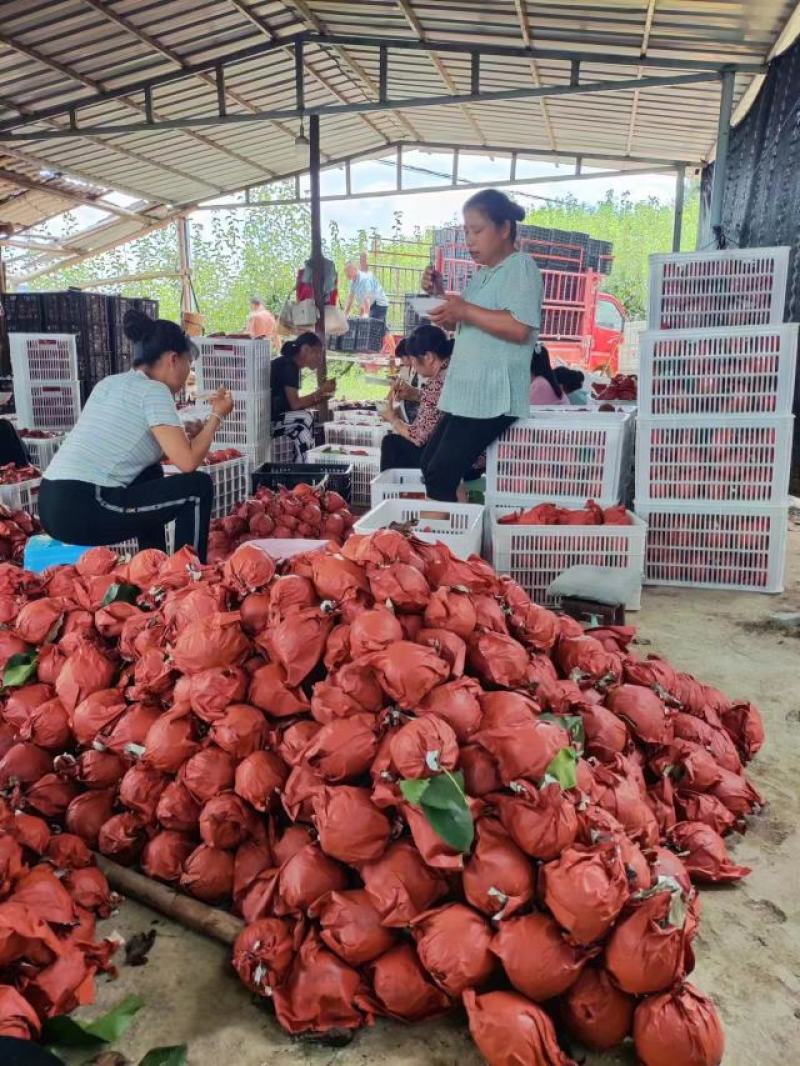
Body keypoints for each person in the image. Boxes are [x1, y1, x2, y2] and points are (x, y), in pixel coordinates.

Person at [38, 311, 233, 562]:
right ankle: (188, 577)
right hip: (87, 504)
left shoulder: (109, 383)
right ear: (173, 359)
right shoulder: (154, 391)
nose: (187, 375)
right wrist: (217, 416)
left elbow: (133, 447)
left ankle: (152, 566)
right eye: (188, 364)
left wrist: (191, 433)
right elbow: (187, 463)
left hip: (51, 503)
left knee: (149, 474)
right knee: (197, 488)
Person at [420, 188, 543, 501]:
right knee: (429, 465)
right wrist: (440, 296)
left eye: (477, 231)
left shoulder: (521, 267)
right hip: (470, 394)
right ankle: (457, 531)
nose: (469, 241)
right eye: (466, 232)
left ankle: (448, 544)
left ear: (504, 229)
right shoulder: (483, 276)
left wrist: (465, 310)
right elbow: (461, 324)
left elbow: (519, 328)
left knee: (439, 474)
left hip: (493, 394)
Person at [379, 325, 452, 472]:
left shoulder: (437, 383)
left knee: (391, 443)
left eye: (413, 360)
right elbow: (439, 403)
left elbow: (418, 437)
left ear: (429, 357)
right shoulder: (450, 370)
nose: (413, 366)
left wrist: (393, 418)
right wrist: (416, 394)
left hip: (454, 457)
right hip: (467, 450)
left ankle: (397, 492)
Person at [271, 332, 336, 461]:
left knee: (305, 419)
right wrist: (321, 391)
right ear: (305, 349)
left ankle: (303, 463)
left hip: (276, 416)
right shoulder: (288, 366)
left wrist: (323, 396)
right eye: (317, 353)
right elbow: (295, 404)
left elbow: (294, 405)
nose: (319, 358)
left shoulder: (291, 365)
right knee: (304, 418)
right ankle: (306, 465)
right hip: (269, 421)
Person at [344, 261, 389, 327]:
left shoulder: (364, 279)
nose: (346, 273)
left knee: (371, 328)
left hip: (378, 304)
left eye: (348, 270)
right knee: (381, 329)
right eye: (345, 271)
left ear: (355, 269)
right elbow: (350, 298)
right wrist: (345, 314)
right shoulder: (353, 282)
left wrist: (366, 314)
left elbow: (367, 298)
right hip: (371, 304)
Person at [388, 339, 421, 424]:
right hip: (407, 414)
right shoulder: (406, 369)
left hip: (416, 416)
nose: (401, 361)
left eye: (402, 357)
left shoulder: (421, 371)